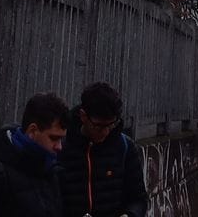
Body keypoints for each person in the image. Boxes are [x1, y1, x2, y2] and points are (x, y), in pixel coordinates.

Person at [0, 91, 69, 216]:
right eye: (53, 138)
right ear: (33, 131)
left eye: (61, 139)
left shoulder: (53, 174)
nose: (59, 147)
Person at [58, 81, 147, 217]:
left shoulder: (125, 147)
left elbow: (139, 199)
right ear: (83, 116)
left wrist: (130, 215)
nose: (105, 132)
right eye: (98, 126)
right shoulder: (60, 146)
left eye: (111, 125)